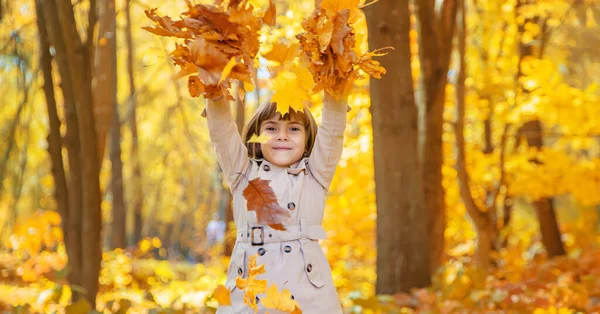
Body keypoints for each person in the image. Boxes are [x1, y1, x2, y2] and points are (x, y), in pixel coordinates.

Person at [206, 91, 347, 313]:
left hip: (306, 290)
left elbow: (332, 133)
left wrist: (337, 92)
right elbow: (222, 134)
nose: (282, 136)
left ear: (308, 138)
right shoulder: (242, 173)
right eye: (271, 128)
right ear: (257, 135)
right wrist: (215, 96)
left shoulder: (316, 174)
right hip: (251, 287)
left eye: (293, 129)